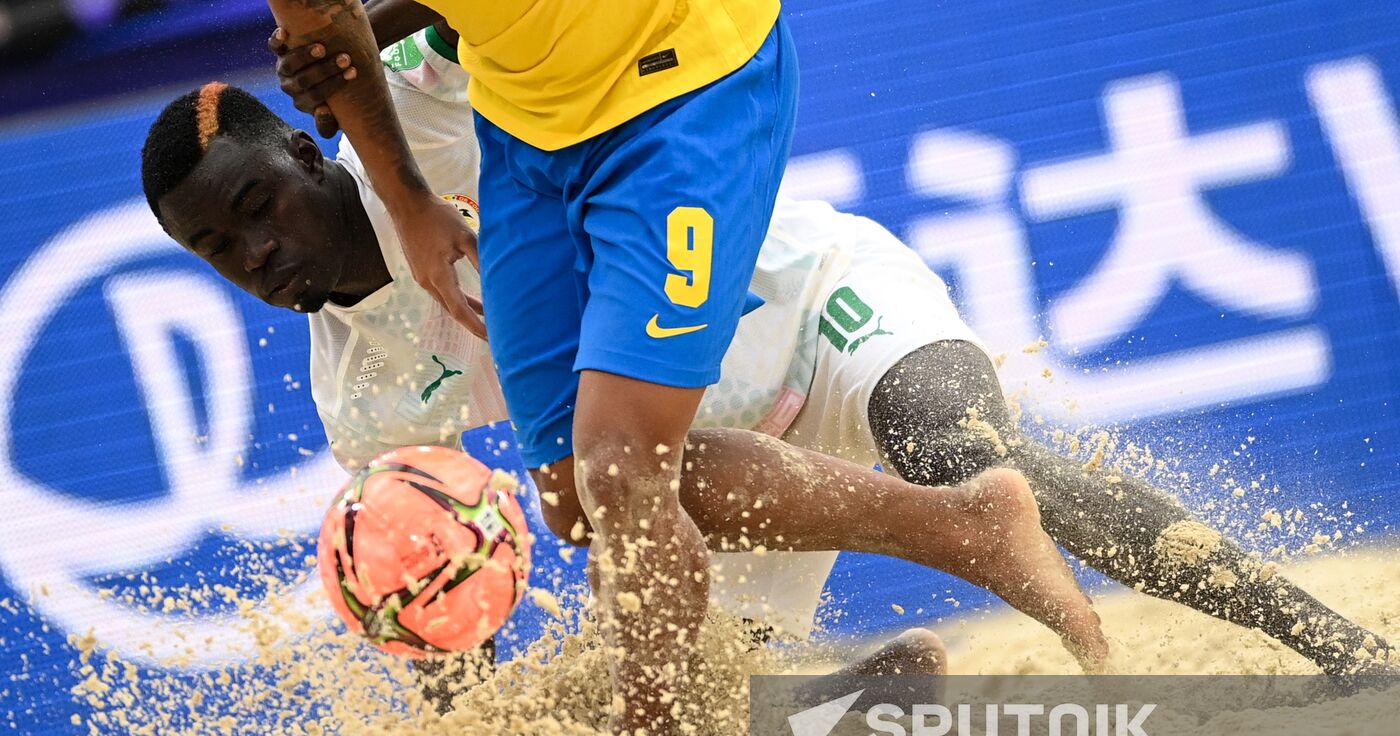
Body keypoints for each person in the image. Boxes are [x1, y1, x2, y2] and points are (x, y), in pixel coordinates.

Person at [270, 19, 1395, 683]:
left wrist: (346, 42)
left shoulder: (418, 105)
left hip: (814, 303)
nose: (253, 251)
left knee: (971, 455)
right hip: (705, 463)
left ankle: (1332, 643)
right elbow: (424, 576)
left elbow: (466, 25)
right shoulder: (361, 406)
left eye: (252, 206)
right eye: (218, 249)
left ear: (305, 148)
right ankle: (863, 696)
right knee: (707, 683)